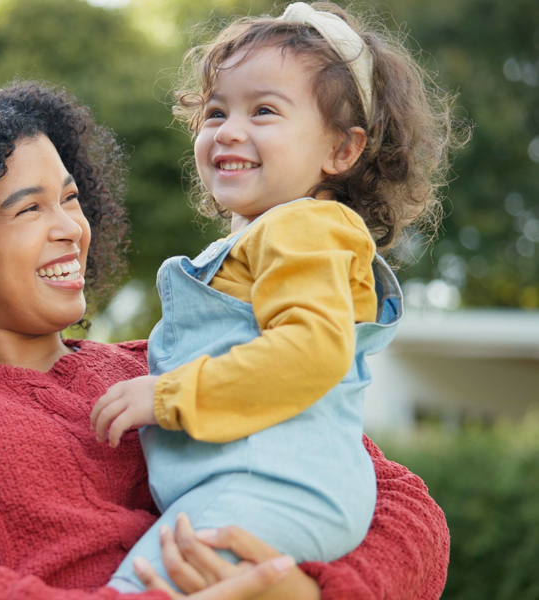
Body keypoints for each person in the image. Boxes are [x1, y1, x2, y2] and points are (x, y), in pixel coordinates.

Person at [0, 82, 450, 600]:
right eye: (30, 208)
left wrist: (306, 592)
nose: (71, 228)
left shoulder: (163, 367)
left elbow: (405, 509)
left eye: (71, 199)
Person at [88, 2, 465, 595]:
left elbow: (311, 350)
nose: (228, 130)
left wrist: (167, 395)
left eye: (263, 110)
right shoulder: (273, 238)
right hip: (252, 487)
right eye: (216, 111)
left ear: (341, 151)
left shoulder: (304, 226)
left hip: (269, 486)